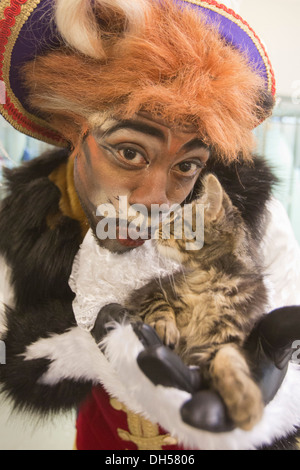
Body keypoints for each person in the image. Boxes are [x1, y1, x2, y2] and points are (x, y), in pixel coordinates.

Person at [0, 0, 300, 451]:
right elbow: (14, 359)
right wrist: (91, 344)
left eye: (187, 165)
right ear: (74, 133)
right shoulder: (35, 219)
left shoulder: (246, 214)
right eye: (129, 152)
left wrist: (273, 393)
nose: (155, 199)